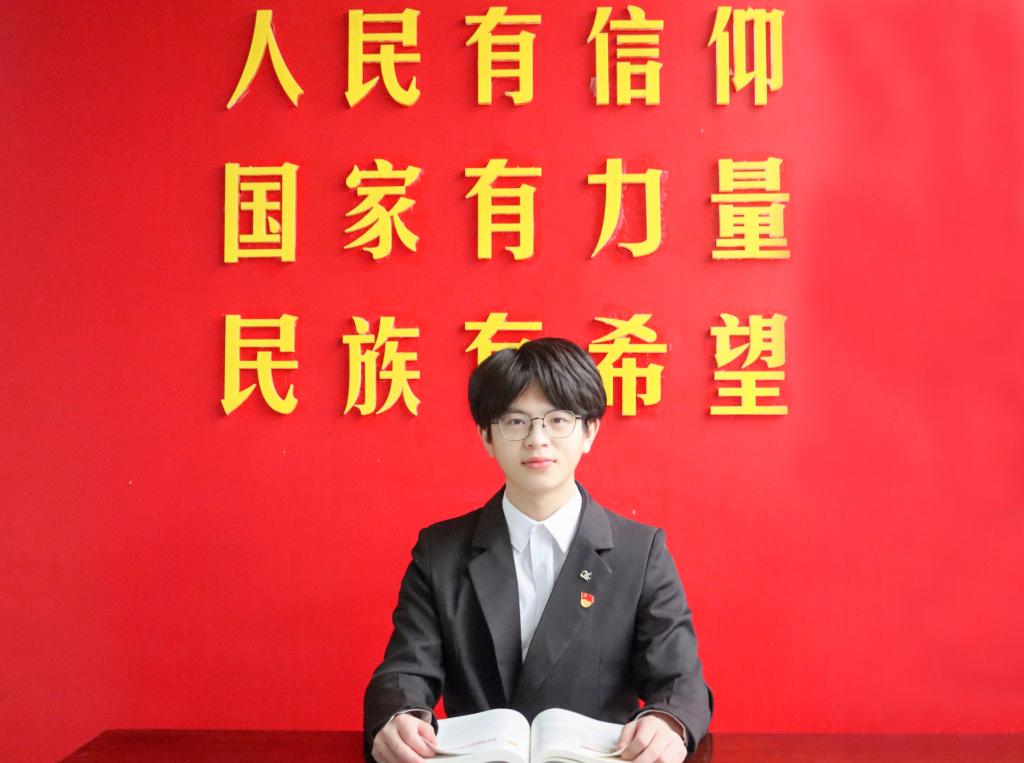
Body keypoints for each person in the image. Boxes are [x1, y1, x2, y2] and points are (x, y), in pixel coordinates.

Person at [364, 338, 712, 763]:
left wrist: (667, 721)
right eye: (516, 421)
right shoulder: (441, 551)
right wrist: (398, 716)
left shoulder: (639, 553)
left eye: (558, 420)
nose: (537, 439)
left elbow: (681, 680)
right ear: (486, 436)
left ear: (590, 431)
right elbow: (406, 669)